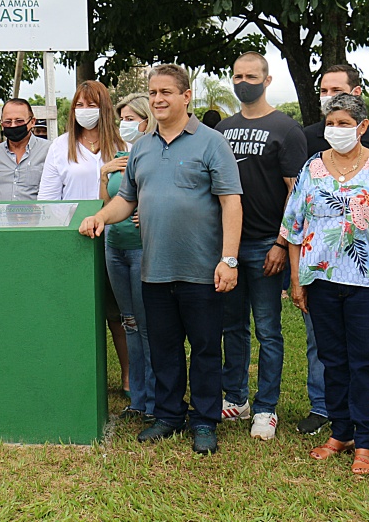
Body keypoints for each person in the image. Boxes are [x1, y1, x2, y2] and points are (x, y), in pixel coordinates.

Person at [79, 64, 242, 456]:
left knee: (204, 349)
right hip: (155, 269)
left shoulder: (211, 143)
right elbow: (126, 200)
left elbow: (231, 203)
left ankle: (204, 421)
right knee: (164, 348)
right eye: (152, 93)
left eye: (166, 92)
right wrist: (101, 216)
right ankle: (169, 415)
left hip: (203, 270)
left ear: (186, 96)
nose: (157, 99)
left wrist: (229, 260)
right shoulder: (144, 147)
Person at [285, 93, 369, 476]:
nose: (335, 130)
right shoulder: (312, 167)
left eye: (343, 123)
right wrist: (296, 279)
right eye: (331, 123)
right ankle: (340, 432)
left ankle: (365, 442)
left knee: (364, 362)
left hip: (367, 282)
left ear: (362, 126)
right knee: (332, 360)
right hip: (319, 279)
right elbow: (294, 228)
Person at [216, 52, 308, 440]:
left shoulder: (286, 129)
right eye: (236, 75)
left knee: (268, 330)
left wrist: (281, 243)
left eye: (250, 76)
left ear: (267, 80)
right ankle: (235, 398)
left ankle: (266, 407)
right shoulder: (222, 128)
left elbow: (296, 192)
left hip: (267, 246)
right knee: (232, 327)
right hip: (230, 246)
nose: (242, 82)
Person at [40, 81, 130, 397]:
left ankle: (130, 378)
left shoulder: (123, 145)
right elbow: (48, 201)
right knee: (74, 313)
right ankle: (77, 378)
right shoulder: (59, 147)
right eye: (79, 105)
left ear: (103, 108)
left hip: (116, 239)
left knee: (118, 314)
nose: (85, 112)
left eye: (91, 105)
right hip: (73, 240)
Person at [101, 93, 158, 422]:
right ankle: (136, 398)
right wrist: (103, 173)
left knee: (147, 325)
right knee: (129, 323)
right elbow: (105, 203)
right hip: (115, 247)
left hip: (142, 248)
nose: (125, 123)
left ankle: (154, 399)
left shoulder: (153, 154)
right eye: (121, 116)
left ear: (146, 120)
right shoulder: (119, 157)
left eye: (131, 117)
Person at [0, 98, 51, 201]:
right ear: (2, 124)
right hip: (1, 216)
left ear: (32, 122)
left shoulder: (49, 151)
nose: (13, 125)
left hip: (38, 216)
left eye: (19, 121)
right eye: (8, 122)